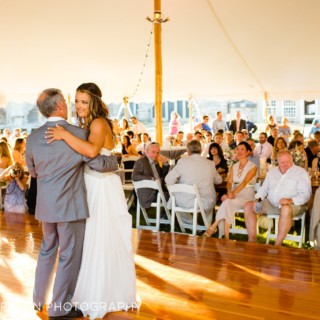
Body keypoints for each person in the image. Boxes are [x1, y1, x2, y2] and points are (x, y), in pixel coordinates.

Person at [32, 85, 138, 319]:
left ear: (94, 102)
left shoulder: (98, 123)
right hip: (87, 186)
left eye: (83, 102)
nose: (79, 106)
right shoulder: (84, 126)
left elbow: (91, 153)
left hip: (100, 187)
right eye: (77, 101)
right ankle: (78, 296)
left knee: (97, 238)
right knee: (85, 243)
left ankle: (93, 294)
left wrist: (64, 134)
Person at [244, 150, 311, 246]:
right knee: (249, 206)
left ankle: (277, 245)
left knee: (286, 208)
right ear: (277, 162)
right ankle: (252, 241)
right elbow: (263, 190)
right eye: (282, 162)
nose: (285, 164)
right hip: (272, 204)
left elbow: (306, 194)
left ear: (292, 160)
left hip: (293, 205)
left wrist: (290, 200)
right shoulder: (272, 171)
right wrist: (257, 200)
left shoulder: (301, 173)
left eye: (288, 162)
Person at [203, 141, 257, 240]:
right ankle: (226, 236)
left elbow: (244, 182)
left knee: (226, 202)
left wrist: (232, 194)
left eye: (242, 149)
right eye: (238, 149)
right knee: (227, 203)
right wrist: (229, 191)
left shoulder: (252, 167)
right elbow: (229, 182)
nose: (239, 151)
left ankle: (214, 227)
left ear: (248, 152)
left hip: (246, 194)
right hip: (233, 193)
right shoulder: (234, 166)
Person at [165, 140, 222, 225]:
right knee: (211, 196)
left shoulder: (182, 162)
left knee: (174, 200)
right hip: (206, 202)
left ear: (187, 151)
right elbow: (219, 181)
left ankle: (191, 224)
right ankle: (207, 224)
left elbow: (168, 180)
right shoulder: (210, 163)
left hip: (186, 202)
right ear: (201, 150)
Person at [132, 142, 170, 208]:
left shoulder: (155, 162)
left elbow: (162, 175)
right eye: (153, 152)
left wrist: (165, 163)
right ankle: (166, 216)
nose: (155, 155)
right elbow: (135, 177)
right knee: (174, 197)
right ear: (146, 151)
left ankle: (165, 216)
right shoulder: (141, 162)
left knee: (174, 196)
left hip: (158, 191)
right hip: (149, 195)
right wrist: (151, 178)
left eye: (157, 152)